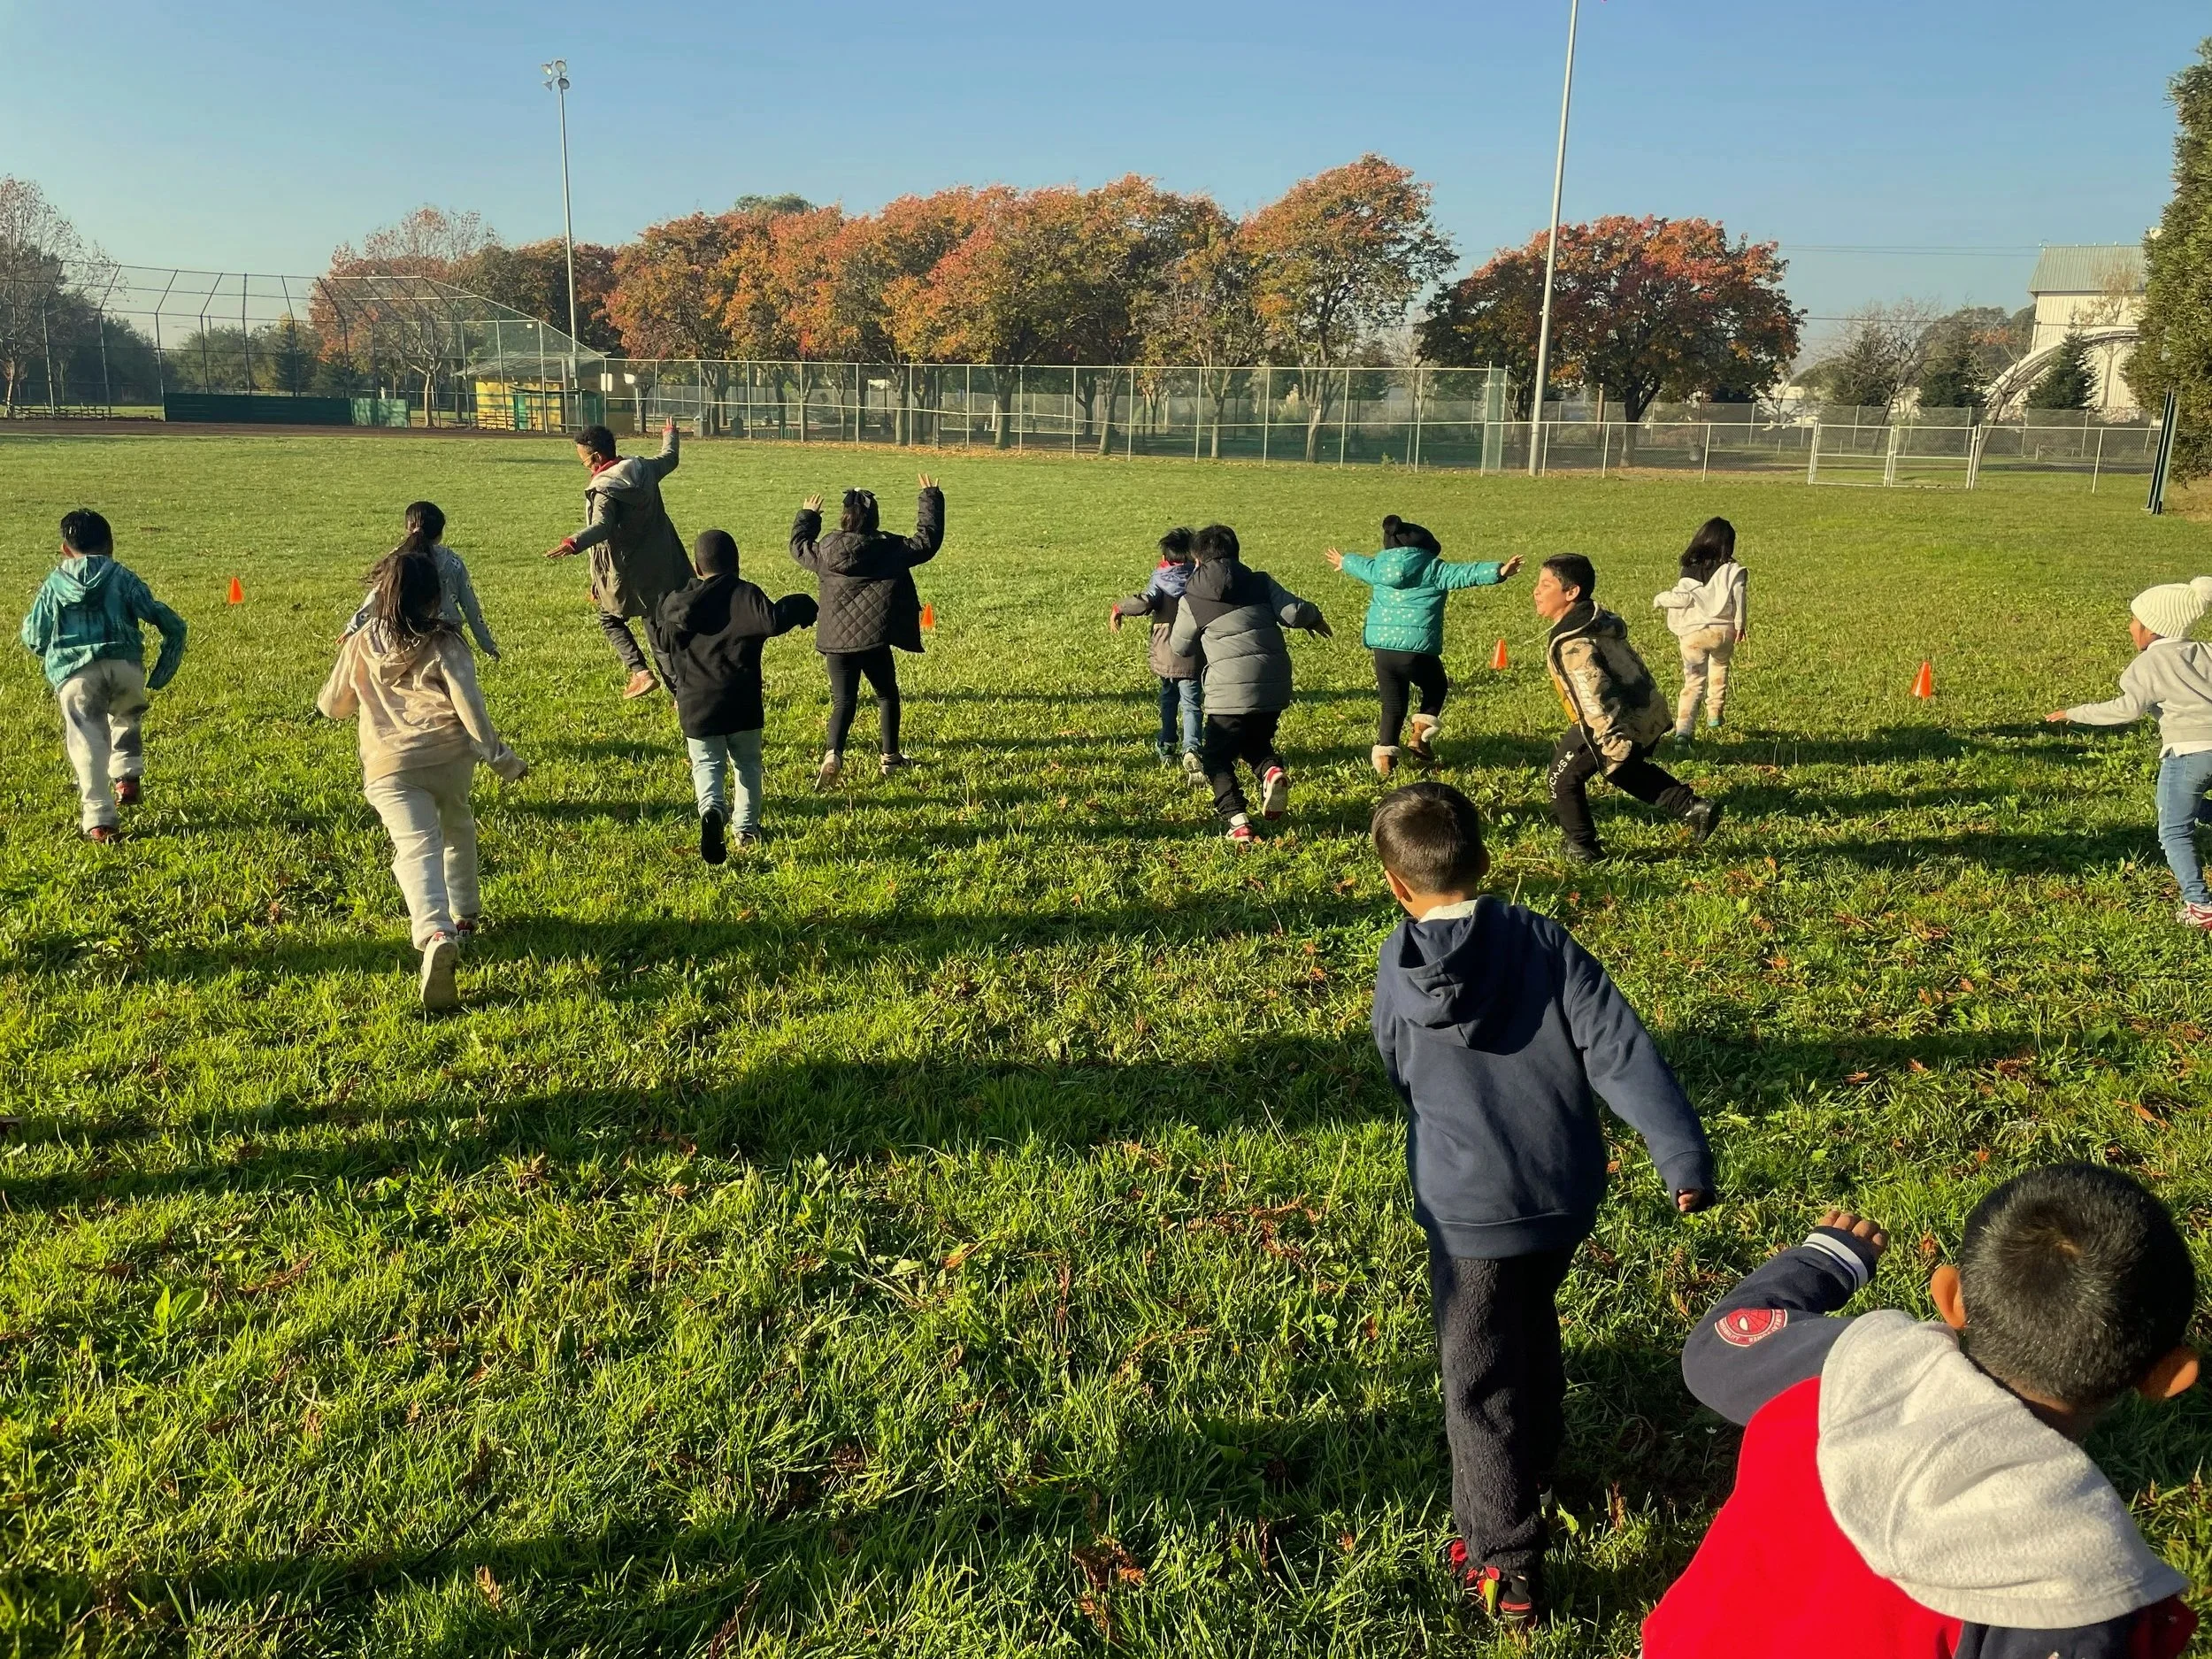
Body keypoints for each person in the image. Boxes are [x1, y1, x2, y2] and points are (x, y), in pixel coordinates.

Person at [1367, 782, 1715, 1628]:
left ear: (1397, 885)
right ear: (1487, 861)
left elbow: (1395, 1060)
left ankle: (1504, 1560)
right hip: (1561, 1194)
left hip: (1466, 1212)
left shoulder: (1396, 964)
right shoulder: (1545, 942)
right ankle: (1543, 1456)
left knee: (1477, 1374)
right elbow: (1620, 1050)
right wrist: (1681, 1153)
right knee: (1530, 1319)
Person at [1643, 1165, 2200, 1659]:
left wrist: (1826, 1259)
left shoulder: (1845, 1371)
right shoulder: (2079, 1578)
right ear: (2166, 1377)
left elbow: (1718, 1348)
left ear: (1951, 1297)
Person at [318, 546, 529, 1011]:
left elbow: (332, 707)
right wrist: (501, 759)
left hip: (389, 764)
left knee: (415, 845)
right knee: (457, 825)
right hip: (450, 757)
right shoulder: (447, 643)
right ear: (434, 598)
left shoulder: (361, 643)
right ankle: (466, 914)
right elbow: (470, 708)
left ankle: (435, 931)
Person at [2046, 577, 2212, 931]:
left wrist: (2076, 712)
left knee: (2174, 830)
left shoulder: (2148, 665)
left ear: (2152, 630)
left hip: (2187, 755)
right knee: (2192, 808)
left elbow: (2126, 710)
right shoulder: (2207, 650)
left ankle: (2200, 906)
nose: (2130, 626)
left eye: (2135, 621)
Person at [1537, 553, 1721, 862]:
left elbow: (1593, 695)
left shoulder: (1574, 643)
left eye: (1545, 585)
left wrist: (1610, 740)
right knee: (1623, 771)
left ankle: (1582, 848)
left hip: (1608, 721)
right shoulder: (1594, 621)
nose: (1537, 592)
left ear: (1572, 592)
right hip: (1642, 710)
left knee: (1562, 778)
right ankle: (1693, 808)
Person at [19, 508, 188, 843]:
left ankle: (100, 818)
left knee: (88, 739)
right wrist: (162, 670)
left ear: (66, 550)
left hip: (76, 672)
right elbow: (167, 621)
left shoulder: (54, 584)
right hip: (125, 663)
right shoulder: (121, 576)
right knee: (128, 713)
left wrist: (53, 655)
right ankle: (126, 773)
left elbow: (34, 635)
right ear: (112, 545)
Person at [655, 529, 819, 864]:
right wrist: (803, 605)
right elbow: (774, 620)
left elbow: (662, 643)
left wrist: (675, 687)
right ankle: (746, 829)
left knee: (706, 764)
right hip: (741, 701)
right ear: (737, 564)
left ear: (697, 569)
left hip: (696, 704)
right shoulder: (745, 594)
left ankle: (712, 810)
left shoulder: (675, 603)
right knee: (747, 765)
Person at [1166, 523, 1331, 843]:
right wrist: (1315, 617)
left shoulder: (1193, 597)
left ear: (1197, 560)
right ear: (1237, 554)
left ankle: (1238, 821)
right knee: (1255, 743)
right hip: (1273, 684)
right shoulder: (1260, 582)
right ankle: (1271, 772)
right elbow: (1294, 613)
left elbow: (1180, 647)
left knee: (1216, 757)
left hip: (1228, 691)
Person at [1325, 515, 1522, 777]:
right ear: (1426, 548)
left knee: (1392, 706)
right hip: (1416, 651)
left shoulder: (1378, 568)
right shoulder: (1433, 569)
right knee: (1436, 685)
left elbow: (1360, 565)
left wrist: (1343, 560)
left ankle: (1385, 763)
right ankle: (1420, 734)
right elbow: (1465, 574)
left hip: (1383, 651)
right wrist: (1499, 571)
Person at [789, 474, 944, 788]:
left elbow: (798, 546)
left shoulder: (826, 552)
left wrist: (807, 516)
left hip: (835, 642)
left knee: (843, 701)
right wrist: (930, 498)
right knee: (887, 695)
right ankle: (890, 758)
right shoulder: (889, 549)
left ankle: (833, 754)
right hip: (874, 639)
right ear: (874, 519)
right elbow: (926, 541)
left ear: (843, 518)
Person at [543, 419, 690, 699]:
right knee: (657, 634)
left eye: (585, 461)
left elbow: (602, 527)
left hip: (628, 572)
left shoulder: (604, 489)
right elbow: (670, 457)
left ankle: (640, 672)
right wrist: (670, 434)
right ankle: (681, 698)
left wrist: (572, 543)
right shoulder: (644, 469)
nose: (586, 466)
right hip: (663, 565)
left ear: (597, 457)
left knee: (608, 617)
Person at [1110, 526, 1206, 779]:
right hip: (1195, 650)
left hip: (1165, 650)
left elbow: (1144, 601)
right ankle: (1193, 748)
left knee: (1168, 698)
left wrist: (1119, 608)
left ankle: (1166, 745)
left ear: (1164, 558)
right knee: (1192, 702)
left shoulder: (1160, 580)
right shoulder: (1202, 579)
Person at [346, 502, 499, 660]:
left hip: (403, 640)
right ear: (440, 534)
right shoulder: (453, 563)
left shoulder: (397, 559)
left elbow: (377, 594)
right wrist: (487, 645)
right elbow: (470, 606)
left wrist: (353, 627)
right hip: (446, 642)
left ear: (408, 528)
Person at [1652, 516, 1747, 741]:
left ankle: (1683, 731)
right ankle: (1715, 713)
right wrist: (1740, 625)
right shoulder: (1733, 570)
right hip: (1724, 631)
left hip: (1694, 634)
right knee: (1720, 667)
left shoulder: (1690, 568)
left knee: (1693, 681)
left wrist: (1660, 599)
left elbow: (1682, 599)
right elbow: (1740, 599)